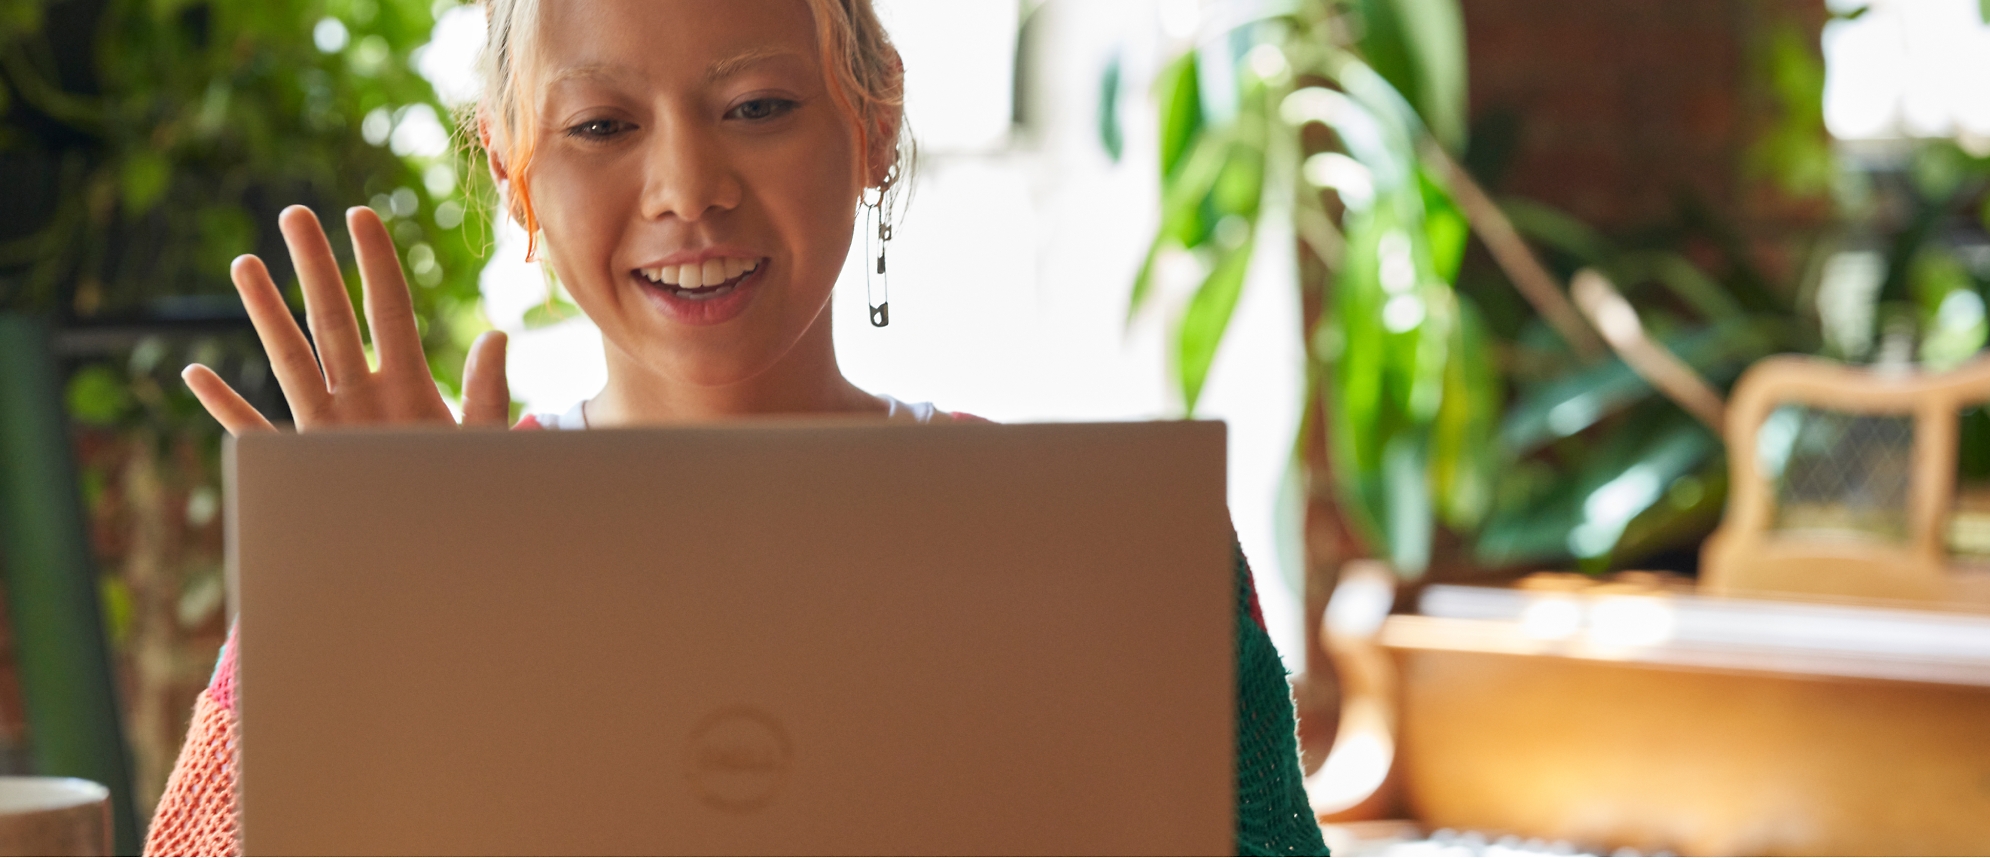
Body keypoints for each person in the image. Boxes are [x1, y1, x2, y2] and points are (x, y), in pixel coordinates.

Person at [140, 0, 1327, 854]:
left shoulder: (1104, 551)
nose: (686, 188)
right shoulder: (391, 534)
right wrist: (365, 631)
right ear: (513, 179)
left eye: (757, 106)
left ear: (872, 126)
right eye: (602, 126)